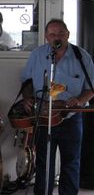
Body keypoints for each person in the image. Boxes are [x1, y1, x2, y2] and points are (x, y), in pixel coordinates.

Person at [21, 19, 94, 195]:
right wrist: (27, 98)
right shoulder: (37, 55)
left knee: (71, 162)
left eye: (61, 33)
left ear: (68, 35)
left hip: (71, 118)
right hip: (44, 116)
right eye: (52, 34)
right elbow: (26, 81)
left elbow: (92, 88)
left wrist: (79, 99)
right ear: (46, 37)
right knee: (44, 163)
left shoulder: (82, 56)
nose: (57, 37)